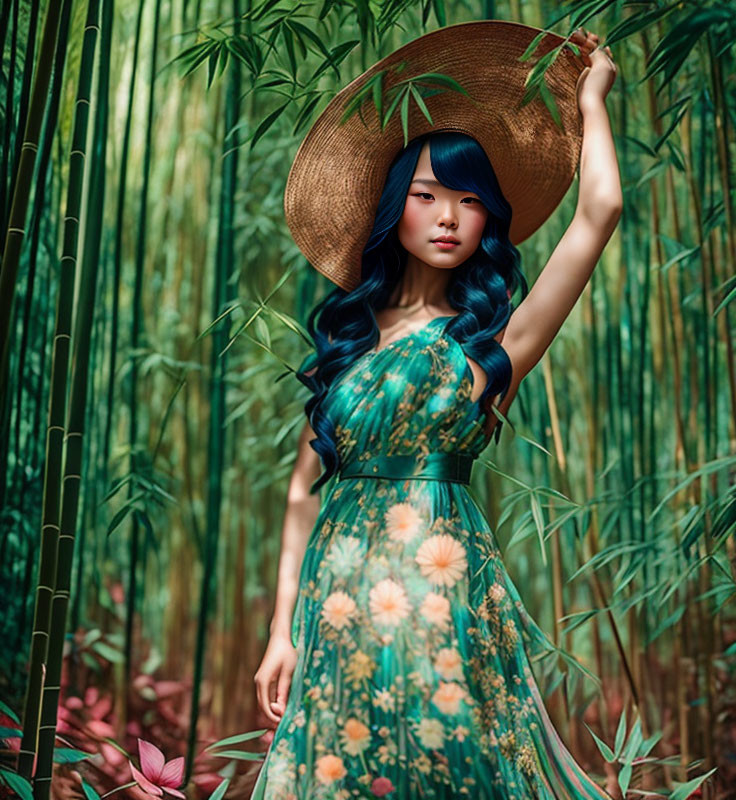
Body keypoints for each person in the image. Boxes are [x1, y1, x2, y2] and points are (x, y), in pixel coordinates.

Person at [251, 20, 621, 800]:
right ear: (396, 208)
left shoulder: (493, 345)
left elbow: (600, 213)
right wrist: (281, 630)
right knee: (334, 768)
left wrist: (593, 100)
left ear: (490, 218)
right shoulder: (350, 339)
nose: (449, 216)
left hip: (439, 589)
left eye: (469, 201)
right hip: (339, 592)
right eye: (427, 196)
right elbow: (297, 490)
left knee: (445, 759)